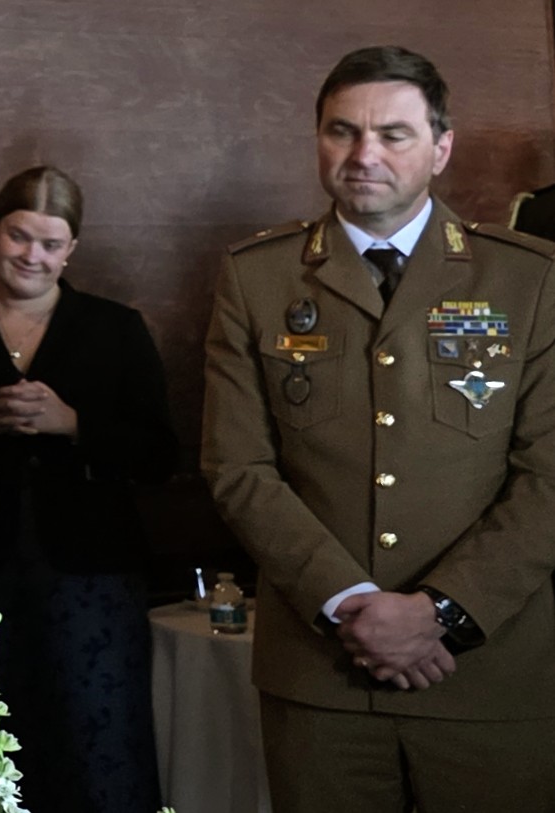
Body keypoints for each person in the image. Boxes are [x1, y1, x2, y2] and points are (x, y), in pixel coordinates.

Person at [203, 46, 555, 813]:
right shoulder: (257, 276)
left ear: (441, 146)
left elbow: (549, 476)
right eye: (342, 131)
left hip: (486, 673)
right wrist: (352, 602)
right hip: (324, 674)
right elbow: (239, 466)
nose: (364, 154)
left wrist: (442, 613)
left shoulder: (527, 277)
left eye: (393, 134)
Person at [0, 166, 173, 813]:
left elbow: (161, 455)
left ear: (72, 250)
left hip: (93, 575)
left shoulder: (115, 326)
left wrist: (75, 425)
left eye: (49, 243)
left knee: (96, 738)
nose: (31, 256)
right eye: (19, 236)